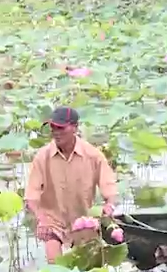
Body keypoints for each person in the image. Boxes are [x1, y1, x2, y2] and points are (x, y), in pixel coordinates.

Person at [24, 106, 119, 263]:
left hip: (83, 221)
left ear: (75, 127)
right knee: (55, 266)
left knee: (88, 268)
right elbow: (31, 197)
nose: (56, 132)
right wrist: (42, 219)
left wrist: (109, 206)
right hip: (52, 221)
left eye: (61, 127)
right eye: (53, 127)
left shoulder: (93, 156)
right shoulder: (42, 157)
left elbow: (110, 189)